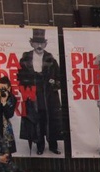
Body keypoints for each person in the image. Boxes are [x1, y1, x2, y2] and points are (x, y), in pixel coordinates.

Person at [18, 28, 63, 156]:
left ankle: (53, 146)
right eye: (36, 42)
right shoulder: (25, 59)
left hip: (49, 95)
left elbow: (59, 77)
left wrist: (54, 82)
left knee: (51, 119)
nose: (39, 46)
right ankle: (40, 146)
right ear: (31, 43)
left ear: (45, 44)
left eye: (42, 43)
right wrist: (27, 88)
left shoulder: (51, 59)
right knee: (37, 119)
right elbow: (20, 77)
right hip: (33, 95)